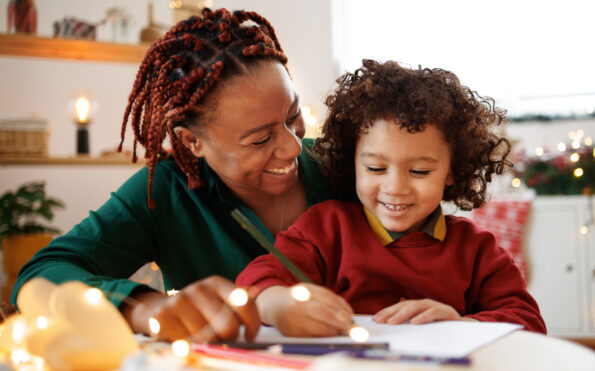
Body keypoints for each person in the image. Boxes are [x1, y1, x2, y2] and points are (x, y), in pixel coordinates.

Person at [11, 8, 353, 342]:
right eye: (260, 139)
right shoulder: (167, 191)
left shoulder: (350, 167)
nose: (294, 147)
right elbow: (40, 275)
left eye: (292, 116)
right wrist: (146, 308)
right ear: (193, 142)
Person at [237, 59, 547, 336]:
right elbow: (259, 279)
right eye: (375, 168)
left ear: (452, 171)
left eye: (420, 171)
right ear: (353, 162)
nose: (395, 187)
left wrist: (463, 326)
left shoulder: (477, 250)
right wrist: (279, 306)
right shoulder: (326, 228)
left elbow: (528, 323)